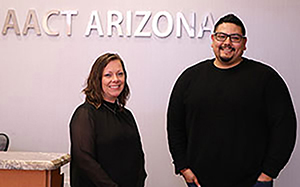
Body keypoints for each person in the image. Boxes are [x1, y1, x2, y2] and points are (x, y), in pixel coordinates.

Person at [167, 13, 297, 187]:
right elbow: (175, 126)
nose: (227, 42)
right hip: (200, 182)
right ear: (213, 40)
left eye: (235, 37)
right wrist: (183, 167)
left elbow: (285, 128)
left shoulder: (266, 79)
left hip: (253, 183)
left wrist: (269, 173)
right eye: (222, 36)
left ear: (244, 44)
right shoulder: (189, 78)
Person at [69, 53, 147, 187]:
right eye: (108, 75)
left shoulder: (126, 115)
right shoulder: (85, 114)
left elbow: (138, 157)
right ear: (97, 79)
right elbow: (84, 160)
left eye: (120, 74)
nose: (115, 79)